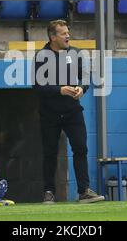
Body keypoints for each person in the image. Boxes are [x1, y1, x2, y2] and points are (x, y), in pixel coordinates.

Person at [33, 19, 105, 204]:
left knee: (81, 148)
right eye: (63, 33)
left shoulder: (76, 53)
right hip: (49, 113)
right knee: (50, 153)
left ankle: (83, 191)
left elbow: (85, 78)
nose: (68, 36)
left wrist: (81, 88)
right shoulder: (41, 56)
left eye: (68, 32)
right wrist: (60, 89)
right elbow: (37, 87)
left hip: (73, 111)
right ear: (53, 36)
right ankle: (49, 192)